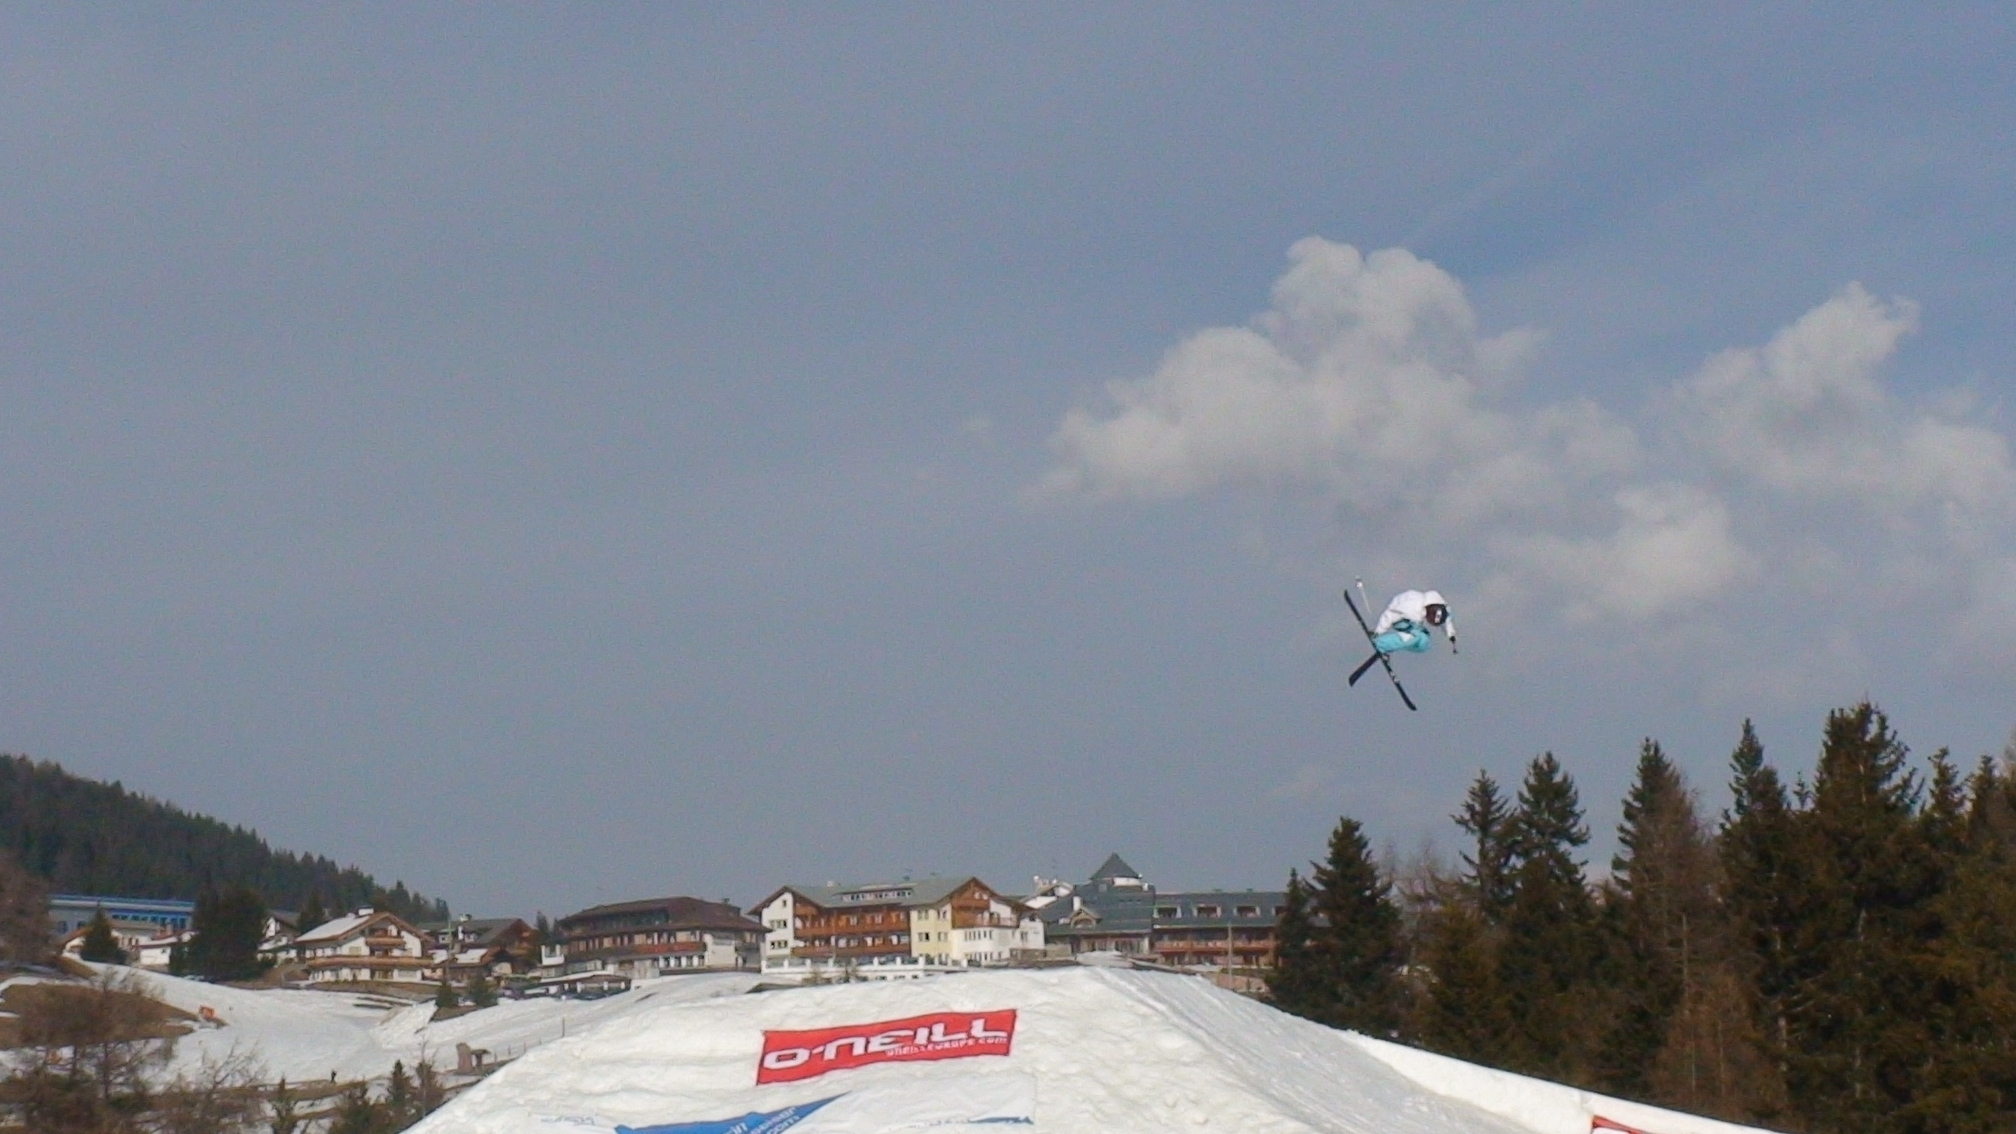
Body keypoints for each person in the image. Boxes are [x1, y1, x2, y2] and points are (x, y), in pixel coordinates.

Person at [1371, 589, 1455, 655]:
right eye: (1431, 618)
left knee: (1424, 641)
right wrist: (1378, 631)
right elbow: (1390, 614)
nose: (1431, 620)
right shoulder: (1413, 609)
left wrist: (1451, 635)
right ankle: (1381, 643)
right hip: (1401, 620)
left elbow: (1447, 619)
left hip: (1412, 623)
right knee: (1415, 637)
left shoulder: (1439, 606)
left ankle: (1390, 644)